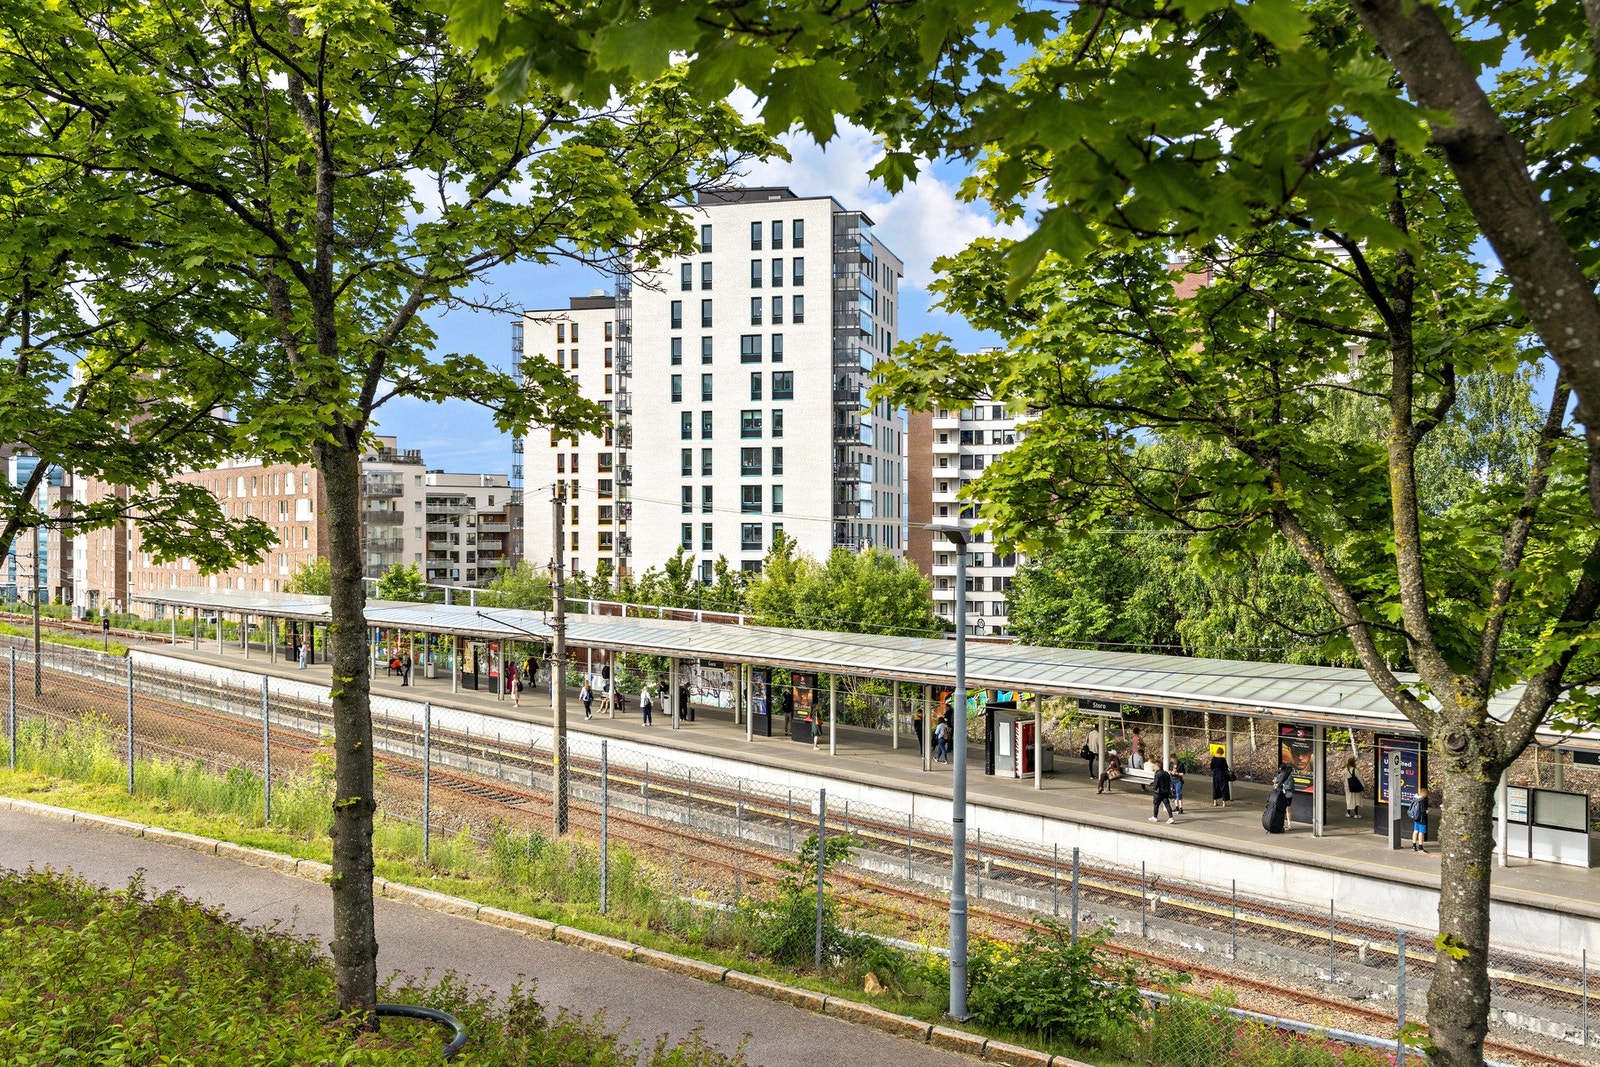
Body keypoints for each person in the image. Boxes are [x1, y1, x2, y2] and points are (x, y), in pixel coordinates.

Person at [1409, 787, 1430, 853]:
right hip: (1421, 819)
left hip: (1416, 818)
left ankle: (1414, 846)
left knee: (1415, 831)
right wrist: (1428, 811)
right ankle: (1420, 847)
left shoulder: (1415, 799)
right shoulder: (1422, 801)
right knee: (1421, 832)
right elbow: (1423, 811)